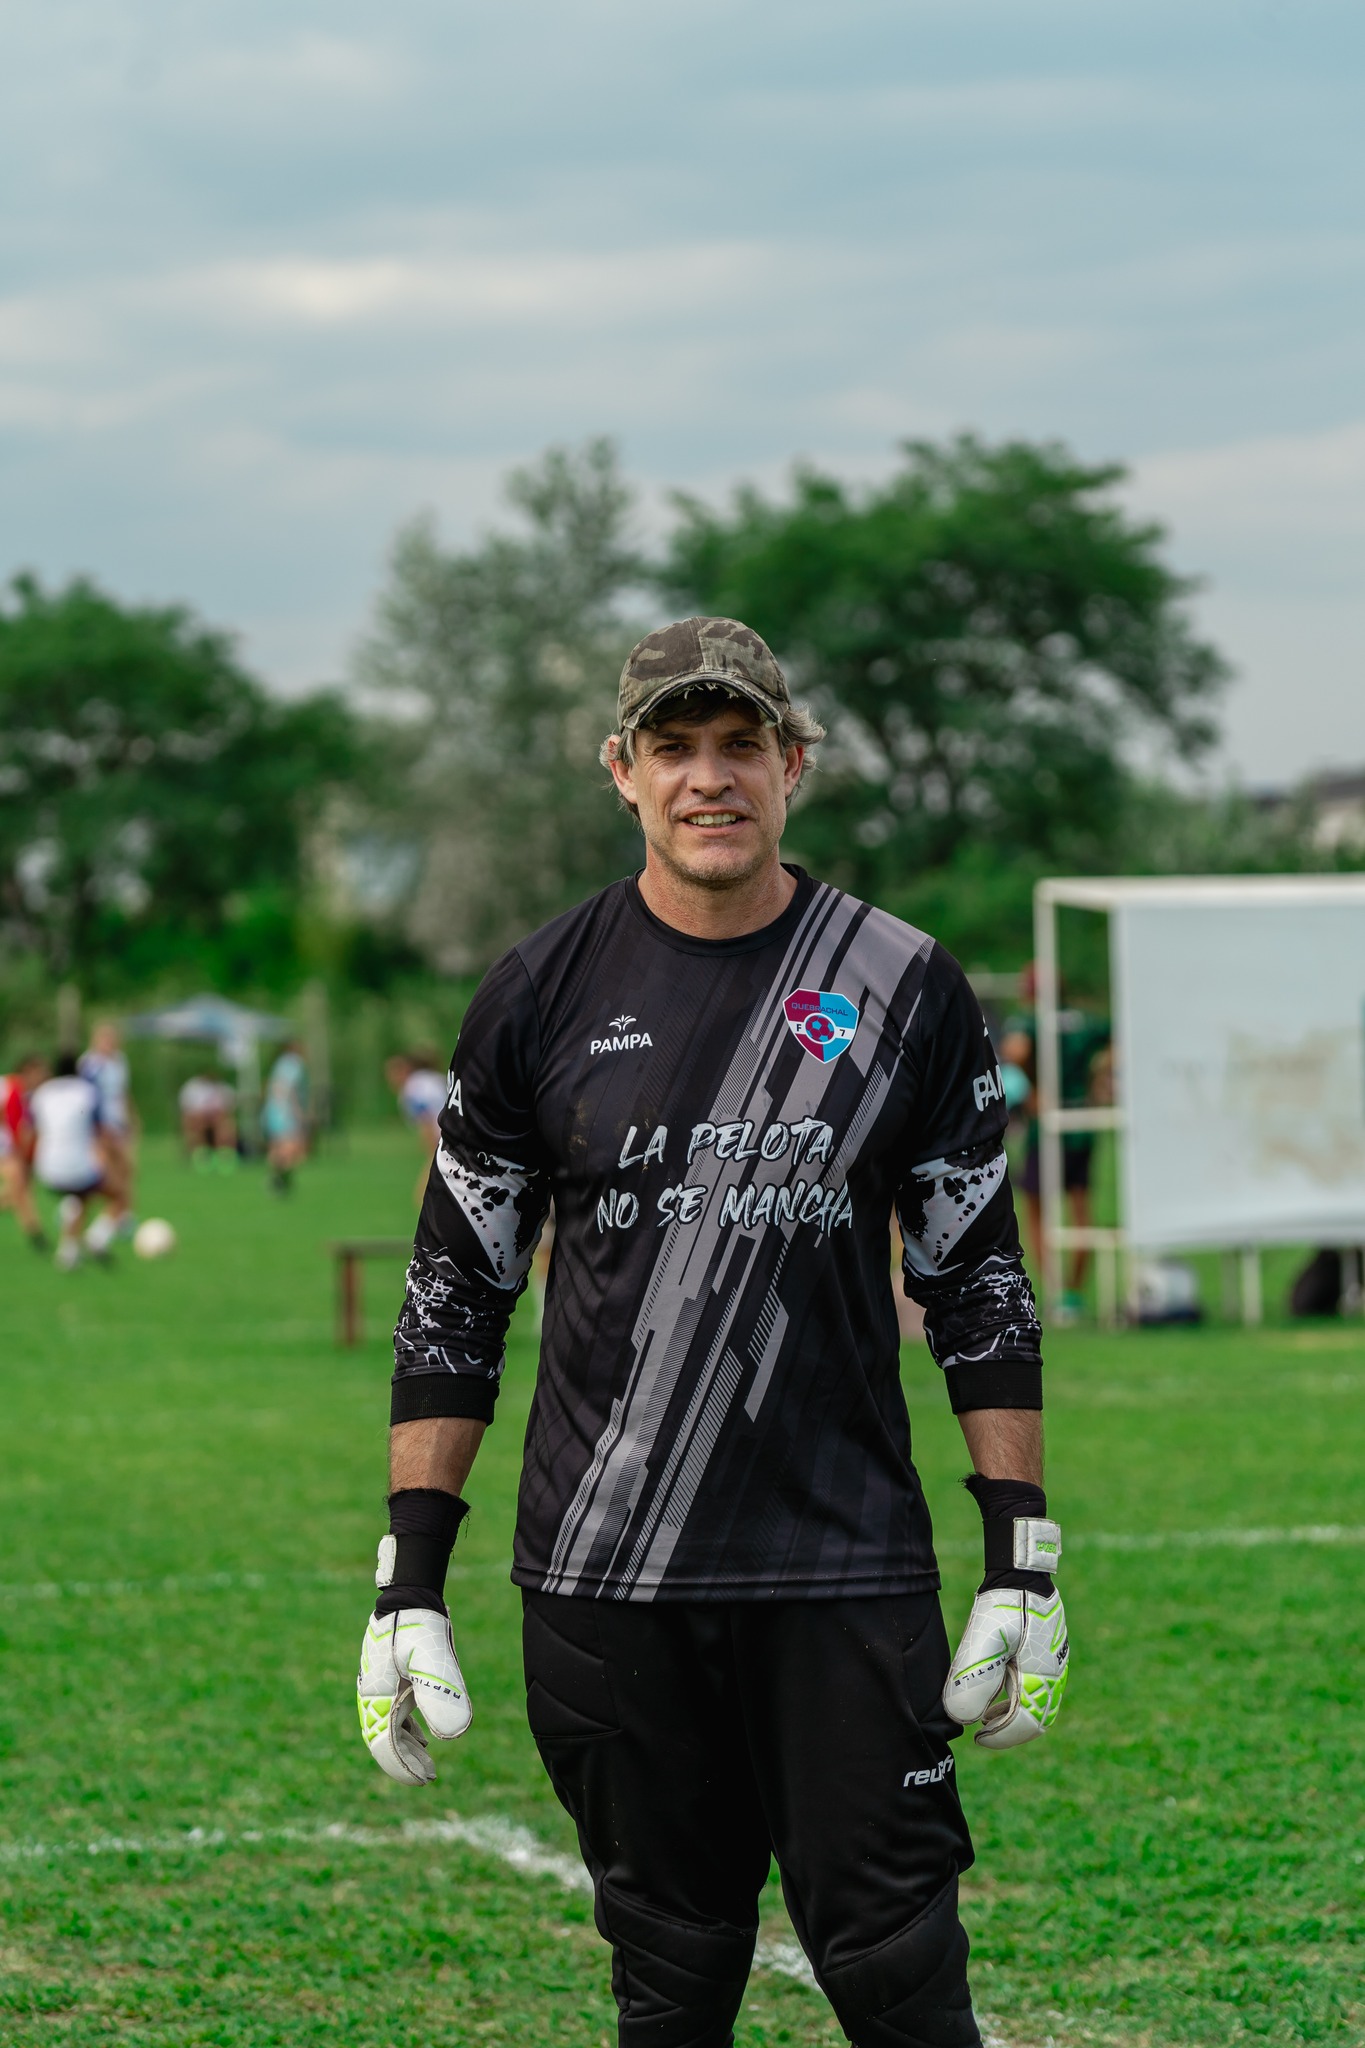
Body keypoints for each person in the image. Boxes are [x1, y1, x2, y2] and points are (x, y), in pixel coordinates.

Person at [356, 617, 1069, 2048]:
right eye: (673, 747)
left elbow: (976, 1271)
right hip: (604, 1576)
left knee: (895, 1966)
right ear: (620, 771)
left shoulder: (902, 984)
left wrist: (1024, 1558)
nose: (708, 777)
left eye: (740, 744)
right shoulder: (535, 993)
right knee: (669, 1977)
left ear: (792, 764)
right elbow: (457, 1291)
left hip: (842, 1569)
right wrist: (406, 1584)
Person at [999, 965, 1111, 1315]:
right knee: (1082, 1211)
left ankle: (1056, 1290)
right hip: (1080, 1122)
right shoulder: (1085, 1022)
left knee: (1037, 1214)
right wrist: (1096, 1080)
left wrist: (1032, 1090)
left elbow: (1013, 1051)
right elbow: (1116, 1042)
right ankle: (1073, 1293)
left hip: (1045, 1126)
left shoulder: (1029, 1022)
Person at [29, 1052, 114, 1269]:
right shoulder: (88, 1092)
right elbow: (102, 1132)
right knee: (118, 1194)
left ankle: (69, 1249)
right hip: (78, 1166)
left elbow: (31, 1131)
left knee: (78, 1197)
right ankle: (94, 1240)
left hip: (46, 1166)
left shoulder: (42, 1093)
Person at [79, 1022, 136, 1231]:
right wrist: (94, 1128)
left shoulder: (120, 1061)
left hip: (118, 1123)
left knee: (126, 1169)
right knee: (99, 1173)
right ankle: (73, 1210)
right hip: (99, 1127)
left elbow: (123, 1093)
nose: (110, 1043)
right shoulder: (89, 1064)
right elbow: (83, 1099)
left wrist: (132, 1118)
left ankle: (122, 1217)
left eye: (112, 1039)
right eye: (105, 1039)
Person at [385, 1051, 449, 1205]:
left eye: (393, 1073)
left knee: (423, 1196)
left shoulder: (412, 1088)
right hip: (460, 1129)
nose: (390, 1079)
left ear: (404, 1070)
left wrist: (430, 1146)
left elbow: (426, 1117)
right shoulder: (426, 1079)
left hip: (447, 1134)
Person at [1, 1054, 50, 1251]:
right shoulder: (6, 1086)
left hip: (11, 1148)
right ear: (28, 1071)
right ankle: (36, 1233)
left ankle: (35, 1233)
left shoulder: (31, 1095)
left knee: (20, 1189)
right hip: (5, 1148)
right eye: (40, 1072)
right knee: (18, 1182)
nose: (44, 1077)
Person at [262, 1040, 308, 1193]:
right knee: (293, 1148)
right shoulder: (293, 1064)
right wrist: (298, 1112)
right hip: (285, 1112)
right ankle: (280, 1180)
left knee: (278, 1147)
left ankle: (276, 1179)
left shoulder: (279, 1064)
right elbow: (290, 1089)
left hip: (273, 1110)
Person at [178, 1072, 238, 1168]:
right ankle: (201, 1156)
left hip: (217, 1118)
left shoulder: (222, 1087)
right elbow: (187, 1110)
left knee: (225, 1127)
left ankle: (224, 1156)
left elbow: (228, 1108)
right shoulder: (192, 1087)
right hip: (197, 1118)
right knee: (197, 1125)